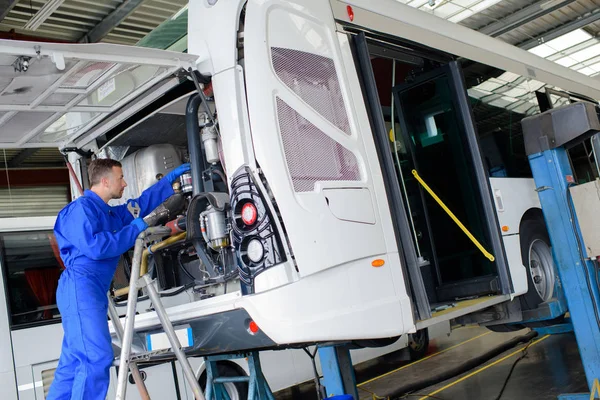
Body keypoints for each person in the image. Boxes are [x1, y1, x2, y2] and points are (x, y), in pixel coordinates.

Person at [47, 158, 190, 400]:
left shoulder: (109, 213)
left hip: (91, 289)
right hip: (80, 287)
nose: (124, 183)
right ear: (105, 181)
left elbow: (139, 206)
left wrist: (167, 182)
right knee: (96, 356)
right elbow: (97, 247)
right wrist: (133, 229)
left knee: (72, 363)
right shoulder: (79, 210)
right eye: (120, 178)